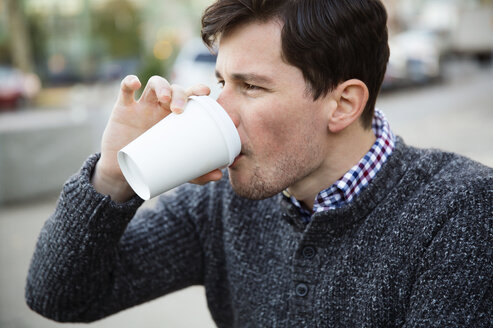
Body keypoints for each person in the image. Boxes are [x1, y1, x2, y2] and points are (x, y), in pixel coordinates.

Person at [26, 0, 492, 326]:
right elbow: (61, 296)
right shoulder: (220, 205)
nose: (218, 108)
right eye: (220, 80)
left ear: (343, 104)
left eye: (251, 87)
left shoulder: (462, 213)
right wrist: (112, 175)